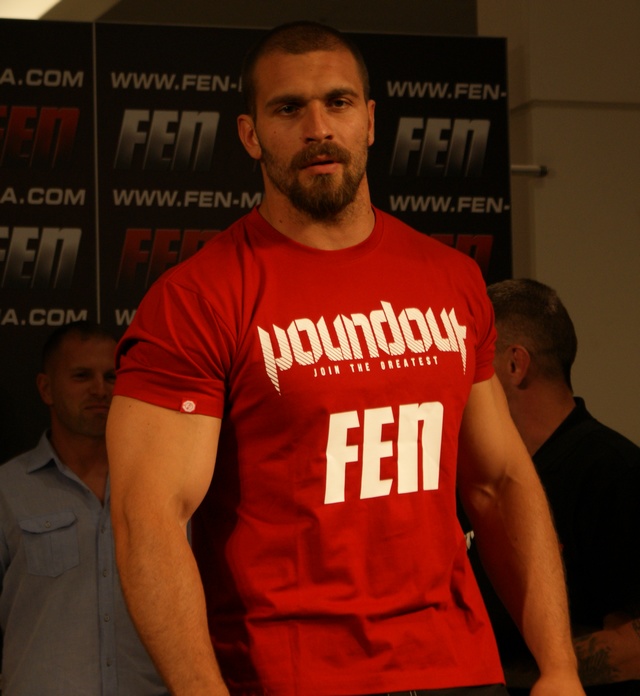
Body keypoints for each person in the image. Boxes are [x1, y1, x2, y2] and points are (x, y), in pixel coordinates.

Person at [106, 21, 585, 696]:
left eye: (338, 102)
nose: (317, 128)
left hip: (457, 669)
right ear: (250, 134)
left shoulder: (450, 279)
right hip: (292, 677)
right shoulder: (197, 299)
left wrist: (559, 667)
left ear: (370, 120)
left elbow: (499, 482)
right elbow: (148, 519)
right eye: (288, 109)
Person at [470, 278, 639, 695]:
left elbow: (633, 649)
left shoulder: (612, 472)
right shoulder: (475, 473)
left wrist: (493, 679)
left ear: (515, 364)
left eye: (476, 359)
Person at [0, 321, 167, 696]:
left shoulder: (163, 487)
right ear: (46, 388)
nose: (100, 390)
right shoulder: (7, 491)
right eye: (81, 376)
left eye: (111, 377)